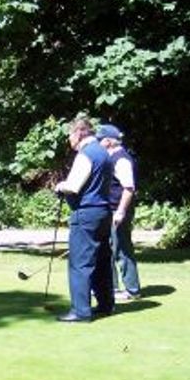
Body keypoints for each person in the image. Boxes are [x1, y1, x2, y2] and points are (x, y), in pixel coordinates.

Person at [54, 117, 114, 322]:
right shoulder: (104, 153)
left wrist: (60, 186)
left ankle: (80, 311)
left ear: (79, 133)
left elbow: (73, 186)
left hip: (86, 213)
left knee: (80, 262)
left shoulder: (85, 154)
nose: (69, 139)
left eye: (70, 135)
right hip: (103, 212)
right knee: (102, 260)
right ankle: (106, 304)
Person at [97, 123, 141, 301]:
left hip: (118, 210)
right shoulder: (111, 158)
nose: (98, 143)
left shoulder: (121, 160)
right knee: (108, 249)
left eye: (100, 140)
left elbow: (129, 188)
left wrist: (121, 212)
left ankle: (132, 290)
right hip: (111, 210)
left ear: (108, 141)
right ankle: (112, 288)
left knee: (121, 249)